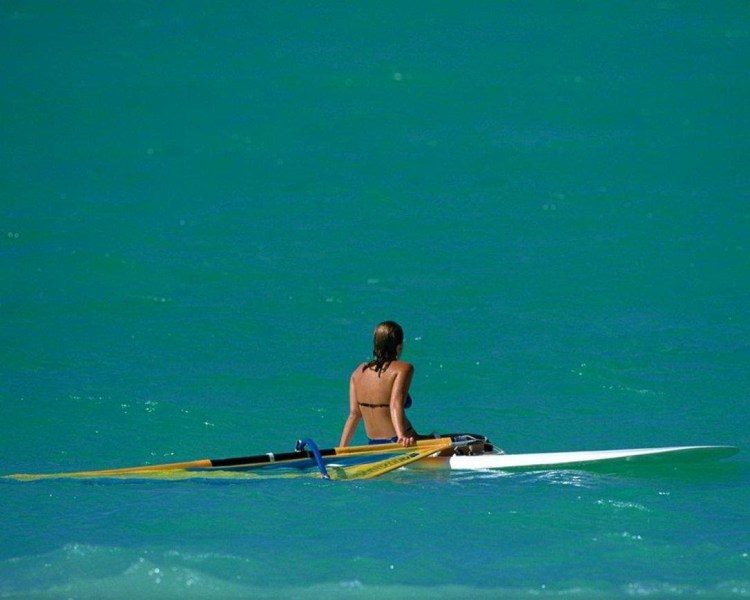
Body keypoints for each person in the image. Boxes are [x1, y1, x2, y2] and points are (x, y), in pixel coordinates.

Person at [339, 321, 419, 447]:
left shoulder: (358, 372)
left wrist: (342, 448)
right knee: (456, 446)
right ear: (399, 346)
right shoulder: (403, 368)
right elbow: (395, 404)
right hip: (402, 442)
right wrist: (401, 437)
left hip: (374, 445)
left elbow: (354, 414)